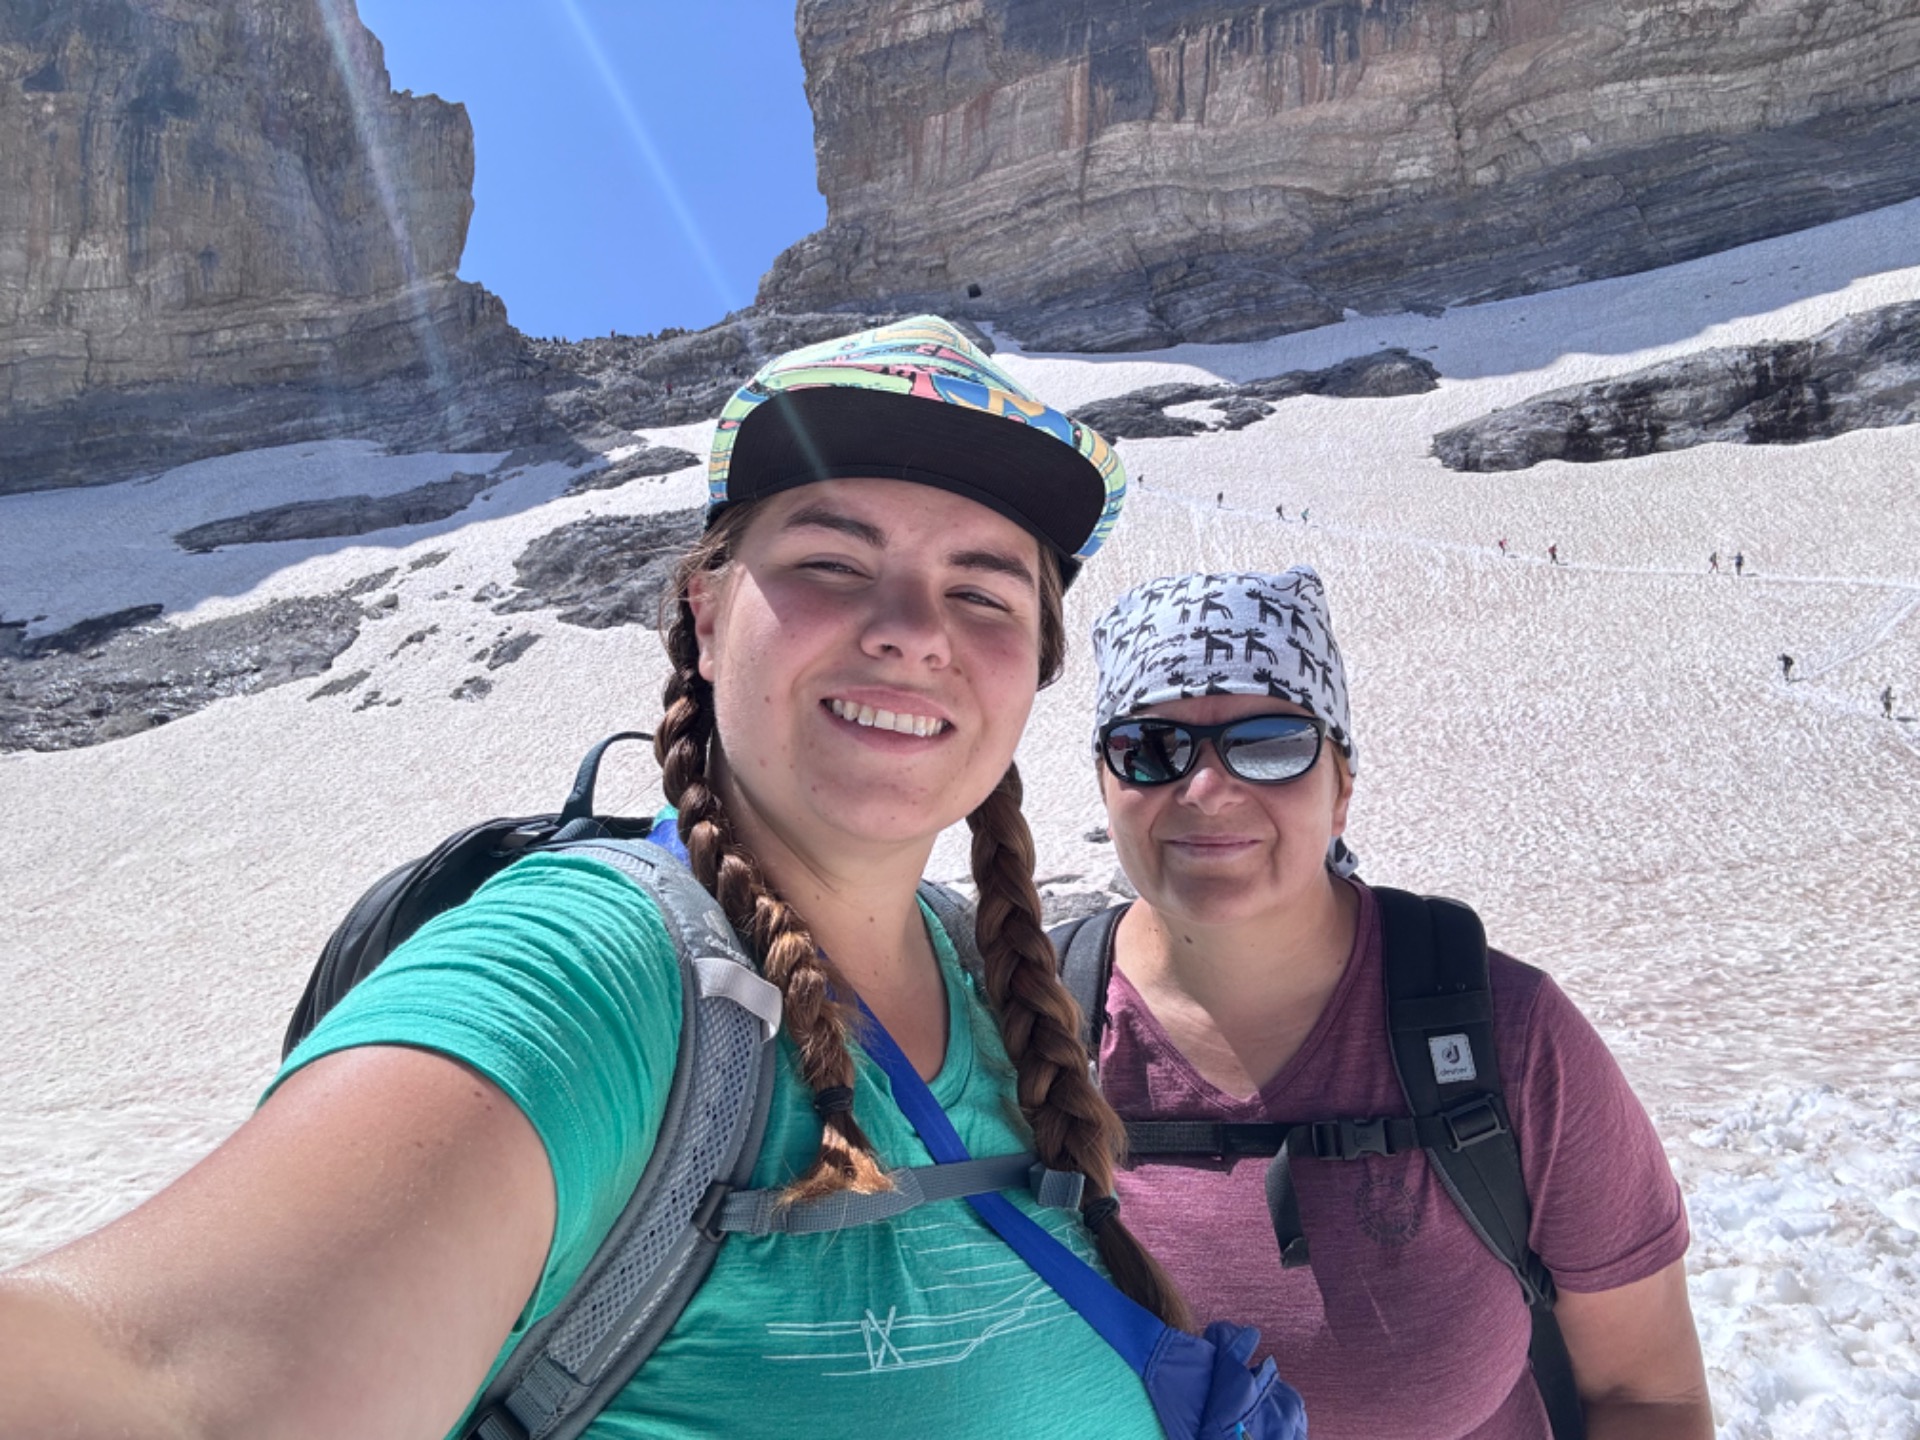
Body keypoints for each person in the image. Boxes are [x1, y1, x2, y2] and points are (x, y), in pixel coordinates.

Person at [0, 318, 1192, 1438]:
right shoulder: (598, 973)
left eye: (982, 592)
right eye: (832, 561)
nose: (913, 629)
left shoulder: (985, 979)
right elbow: (156, 1380)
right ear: (706, 616)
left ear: (1034, 666)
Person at [1073, 568, 1713, 1440]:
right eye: (1152, 747)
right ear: (1106, 783)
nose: (1208, 790)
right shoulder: (1020, 1030)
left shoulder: (1507, 1034)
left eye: (1272, 744)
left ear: (1341, 788)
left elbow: (1649, 1394)